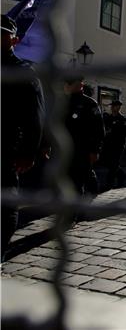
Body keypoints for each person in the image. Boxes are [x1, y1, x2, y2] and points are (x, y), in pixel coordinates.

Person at [1, 15, 45, 260]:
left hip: (5, 149)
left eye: (2, 33)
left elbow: (35, 115)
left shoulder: (23, 72)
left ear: (14, 39)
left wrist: (29, 151)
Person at [64, 76, 105, 199]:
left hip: (83, 149)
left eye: (72, 83)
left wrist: (95, 150)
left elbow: (99, 129)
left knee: (78, 180)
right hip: (65, 149)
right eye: (68, 83)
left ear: (80, 85)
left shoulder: (89, 103)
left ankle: (75, 211)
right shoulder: (63, 102)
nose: (67, 86)